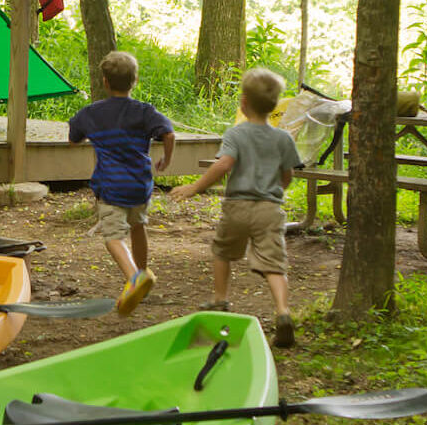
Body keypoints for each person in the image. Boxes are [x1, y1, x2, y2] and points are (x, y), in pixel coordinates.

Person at [170, 68, 303, 348]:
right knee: (274, 265)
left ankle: (220, 300)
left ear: (243, 102)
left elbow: (224, 164)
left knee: (223, 251)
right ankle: (283, 312)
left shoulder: (236, 134)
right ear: (275, 105)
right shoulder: (283, 138)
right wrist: (277, 188)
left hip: (237, 206)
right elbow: (288, 174)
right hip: (270, 208)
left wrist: (195, 187)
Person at [69, 51, 175, 316]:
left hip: (111, 187)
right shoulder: (144, 111)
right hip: (140, 185)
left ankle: (133, 278)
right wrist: (167, 159)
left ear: (105, 81)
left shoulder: (92, 113)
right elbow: (169, 133)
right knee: (138, 226)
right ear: (135, 80)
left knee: (113, 237)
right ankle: (142, 272)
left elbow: (74, 137)